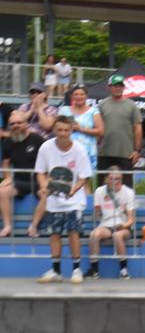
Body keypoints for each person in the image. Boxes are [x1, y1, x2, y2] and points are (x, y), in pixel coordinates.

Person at [34, 116, 92, 284]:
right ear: (54, 130)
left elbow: (83, 177)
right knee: (54, 234)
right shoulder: (45, 147)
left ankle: (76, 270)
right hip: (53, 201)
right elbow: (40, 172)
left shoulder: (80, 150)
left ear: (71, 131)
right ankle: (56, 271)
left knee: (73, 232)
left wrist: (73, 190)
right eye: (59, 130)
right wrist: (44, 186)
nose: (63, 133)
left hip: (75, 200)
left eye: (66, 130)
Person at [0, 110, 47, 238]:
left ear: (26, 124)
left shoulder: (37, 139)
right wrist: (8, 178)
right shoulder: (7, 141)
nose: (15, 125)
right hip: (19, 181)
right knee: (2, 191)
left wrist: (46, 180)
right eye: (12, 123)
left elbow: (49, 159)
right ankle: (7, 226)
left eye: (19, 123)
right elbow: (5, 163)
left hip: (38, 180)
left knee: (48, 194)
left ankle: (33, 226)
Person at [87, 168, 135, 279]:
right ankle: (95, 271)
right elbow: (97, 213)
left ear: (121, 180)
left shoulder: (128, 192)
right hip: (106, 225)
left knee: (117, 235)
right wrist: (97, 211)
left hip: (123, 226)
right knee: (94, 235)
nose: (115, 181)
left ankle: (123, 270)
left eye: (117, 179)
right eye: (111, 178)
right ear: (107, 179)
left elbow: (131, 219)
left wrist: (123, 225)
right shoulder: (99, 191)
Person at [96, 74, 144, 185]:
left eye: (120, 86)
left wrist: (137, 150)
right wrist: (96, 145)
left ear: (124, 87)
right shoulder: (102, 104)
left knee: (126, 185)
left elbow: (138, 128)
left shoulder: (131, 105)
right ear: (109, 87)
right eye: (115, 86)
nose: (118, 88)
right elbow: (98, 127)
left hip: (126, 153)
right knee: (101, 184)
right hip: (105, 152)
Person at [57, 85, 103, 172]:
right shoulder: (64, 110)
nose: (79, 97)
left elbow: (100, 131)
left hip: (87, 152)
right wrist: (68, 128)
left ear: (86, 96)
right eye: (76, 94)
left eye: (82, 94)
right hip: (67, 150)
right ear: (72, 96)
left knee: (86, 182)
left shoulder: (93, 111)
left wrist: (80, 129)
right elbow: (56, 128)